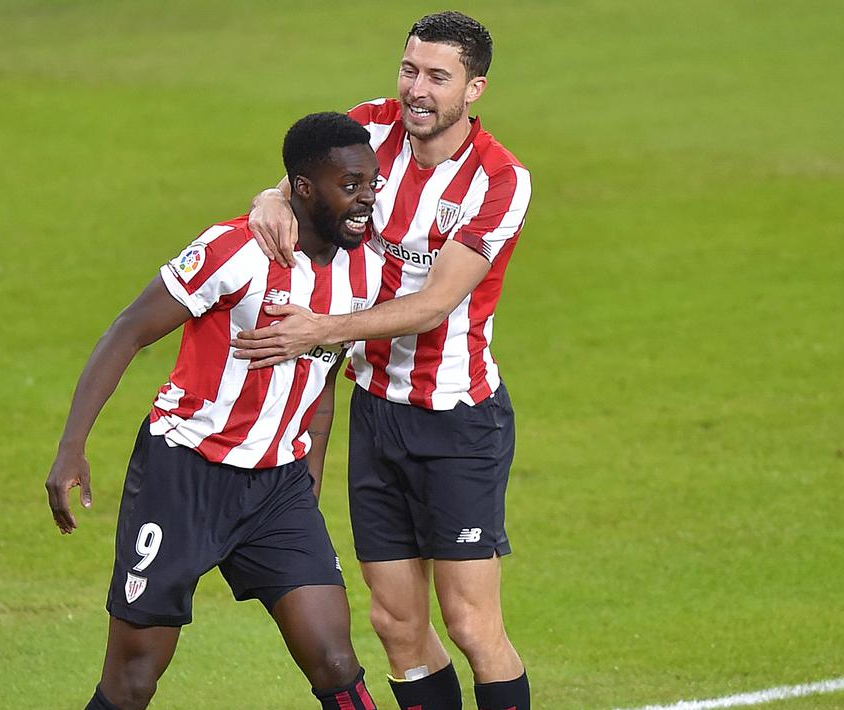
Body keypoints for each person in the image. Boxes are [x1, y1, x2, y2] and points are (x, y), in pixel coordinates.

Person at [235, 11, 532, 710]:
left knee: (469, 622)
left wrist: (321, 330)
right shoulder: (365, 130)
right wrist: (267, 198)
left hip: (456, 419)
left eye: (437, 76)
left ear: (474, 88)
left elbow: (435, 305)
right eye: (409, 69)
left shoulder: (498, 180)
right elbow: (294, 183)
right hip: (375, 411)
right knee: (396, 624)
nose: (416, 89)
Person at [44, 112, 386, 710]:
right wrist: (72, 447)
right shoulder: (235, 251)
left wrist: (309, 472)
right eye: (350, 185)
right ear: (303, 189)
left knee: (336, 661)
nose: (366, 200)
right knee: (135, 677)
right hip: (184, 476)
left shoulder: (368, 268)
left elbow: (325, 371)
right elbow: (128, 331)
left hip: (277, 486)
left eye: (372, 184)